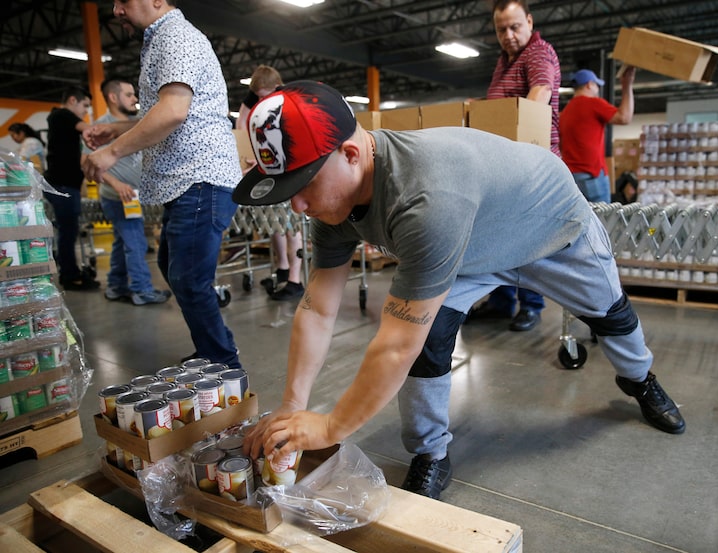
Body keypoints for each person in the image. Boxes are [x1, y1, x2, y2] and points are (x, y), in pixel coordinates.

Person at [239, 81, 686, 503]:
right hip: (472, 247)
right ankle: (430, 451)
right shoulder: (335, 203)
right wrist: (293, 410)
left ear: (351, 154)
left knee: (611, 316)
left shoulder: (426, 198)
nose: (296, 205)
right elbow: (317, 309)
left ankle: (640, 380)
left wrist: (331, 426)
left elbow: (393, 346)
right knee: (430, 339)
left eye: (303, 185)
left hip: (550, 228)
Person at [82, 0, 242, 368]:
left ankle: (223, 361)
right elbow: (169, 111)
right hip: (186, 181)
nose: (117, 10)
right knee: (177, 269)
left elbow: (173, 111)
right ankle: (212, 353)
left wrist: (111, 153)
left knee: (188, 278)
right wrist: (117, 129)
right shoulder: (160, 40)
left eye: (124, 1)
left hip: (199, 178)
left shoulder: (176, 36)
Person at [466, 0, 561, 332]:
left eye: (515, 27)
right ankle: (502, 301)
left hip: (531, 163)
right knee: (499, 236)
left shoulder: (538, 53)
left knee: (526, 238)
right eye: (501, 29)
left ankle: (531, 304)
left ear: (530, 23)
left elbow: (539, 97)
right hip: (504, 162)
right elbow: (500, 106)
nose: (508, 35)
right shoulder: (505, 61)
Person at [82, 77, 171, 306]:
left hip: (136, 197)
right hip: (118, 197)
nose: (135, 99)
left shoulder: (137, 124)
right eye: (129, 94)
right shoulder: (100, 128)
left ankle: (116, 285)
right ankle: (142, 289)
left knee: (123, 243)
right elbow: (87, 163)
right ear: (113, 97)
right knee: (136, 243)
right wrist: (116, 183)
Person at [236, 65, 304, 301]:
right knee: (273, 223)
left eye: (263, 96)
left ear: (276, 88)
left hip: (288, 171)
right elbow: (242, 124)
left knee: (291, 225)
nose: (260, 102)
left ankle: (296, 280)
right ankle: (283, 269)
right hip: (267, 169)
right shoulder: (258, 102)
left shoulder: (288, 103)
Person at [44, 86, 100, 291]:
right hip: (63, 185)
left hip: (65, 185)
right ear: (72, 101)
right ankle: (70, 275)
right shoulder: (61, 115)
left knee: (68, 231)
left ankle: (70, 271)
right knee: (68, 232)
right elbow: (87, 128)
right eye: (84, 105)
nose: (86, 110)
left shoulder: (62, 119)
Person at [559, 67, 636, 203]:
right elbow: (624, 118)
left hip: (572, 177)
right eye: (596, 86)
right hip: (592, 175)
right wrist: (627, 85)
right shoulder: (592, 103)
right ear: (590, 85)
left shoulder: (566, 111)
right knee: (602, 219)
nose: (597, 90)